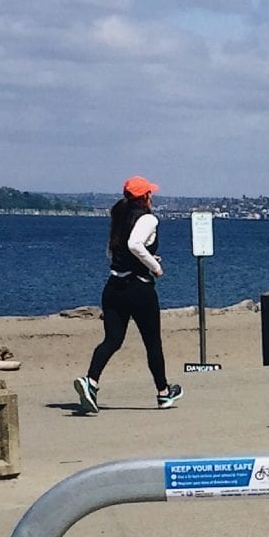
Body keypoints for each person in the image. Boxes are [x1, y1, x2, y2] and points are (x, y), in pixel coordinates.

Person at [74, 176, 181, 412]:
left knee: (112, 340)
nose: (152, 197)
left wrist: (147, 260)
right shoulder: (148, 219)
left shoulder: (119, 217)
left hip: (114, 287)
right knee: (152, 342)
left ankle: (91, 381)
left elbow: (119, 252)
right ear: (145, 197)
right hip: (139, 289)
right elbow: (135, 245)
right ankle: (163, 393)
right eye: (150, 193)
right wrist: (156, 267)